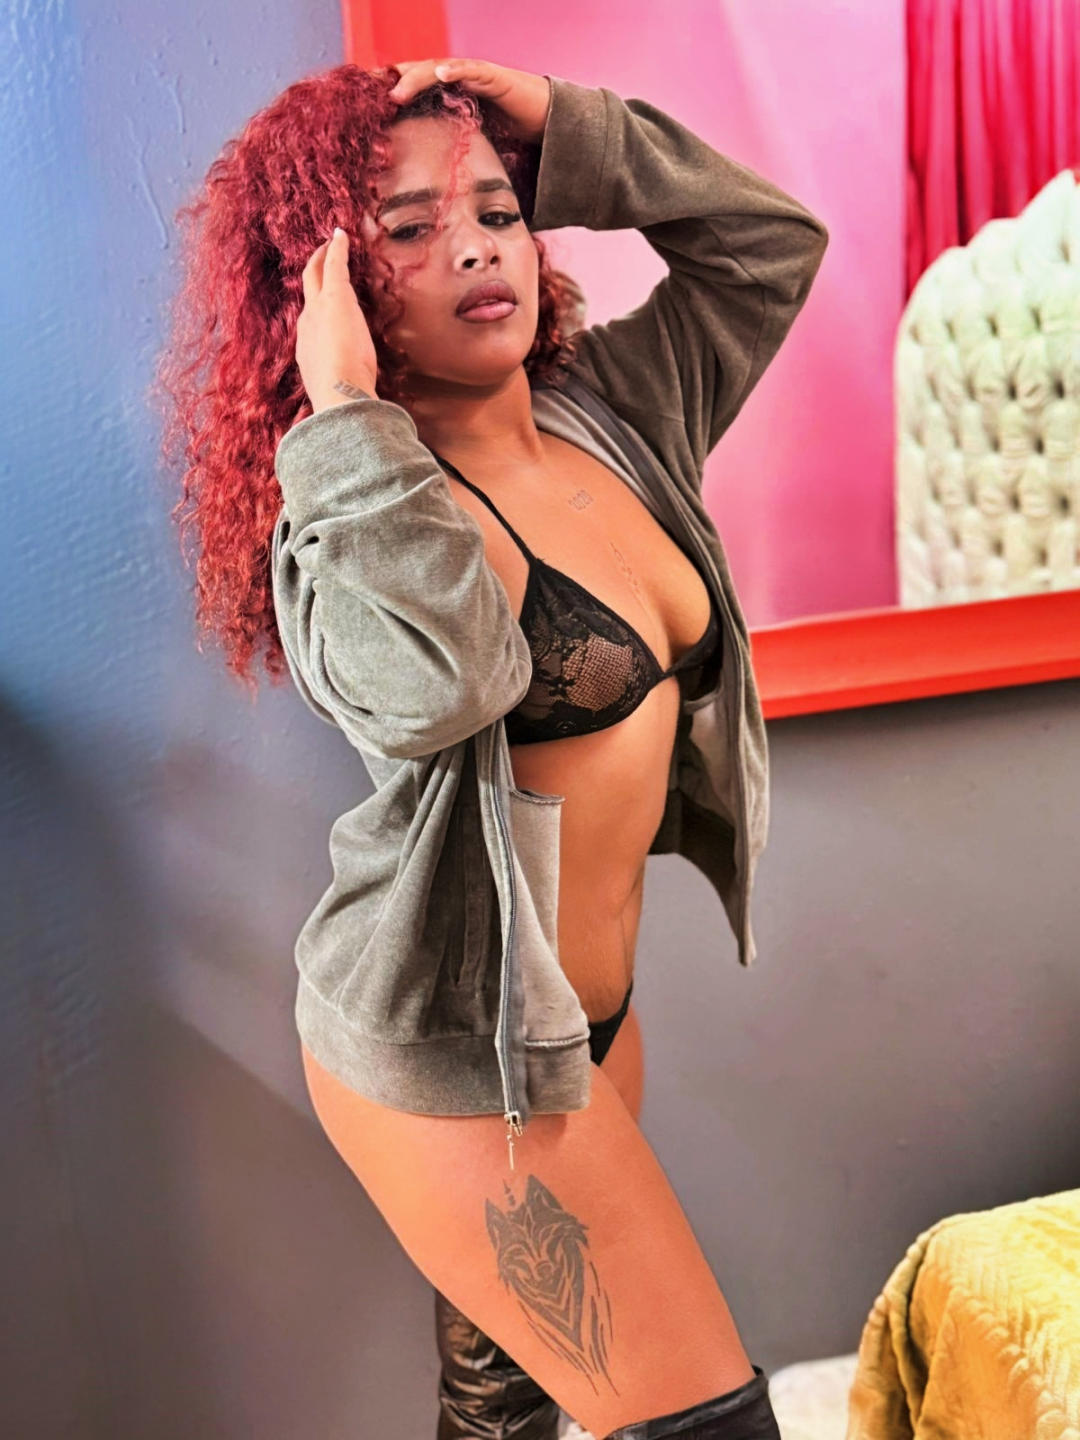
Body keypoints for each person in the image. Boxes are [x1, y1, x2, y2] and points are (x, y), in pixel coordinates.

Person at [154, 55, 828, 1440]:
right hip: (453, 1056)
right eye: (408, 227)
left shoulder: (618, 413)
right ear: (332, 286)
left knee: (503, 1422)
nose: (473, 246)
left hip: (581, 1030)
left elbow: (769, 246)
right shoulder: (344, 524)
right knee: (709, 1424)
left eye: (498, 210)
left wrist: (568, 128)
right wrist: (345, 417)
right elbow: (442, 689)